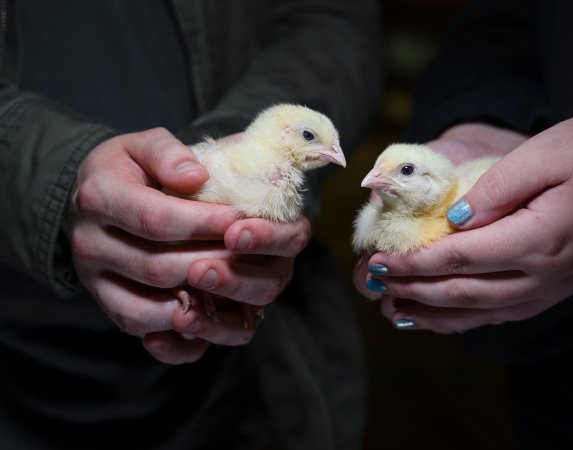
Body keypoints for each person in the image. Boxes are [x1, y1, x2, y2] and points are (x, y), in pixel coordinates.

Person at [0, 1, 381, 449]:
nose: (333, 154)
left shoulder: (253, 165)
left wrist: (222, 136)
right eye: (315, 140)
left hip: (231, 385)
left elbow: (328, 19)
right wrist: (58, 178)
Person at [354, 1, 573, 449]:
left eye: (403, 172)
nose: (375, 181)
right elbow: (502, 21)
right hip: (556, 352)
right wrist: (483, 113)